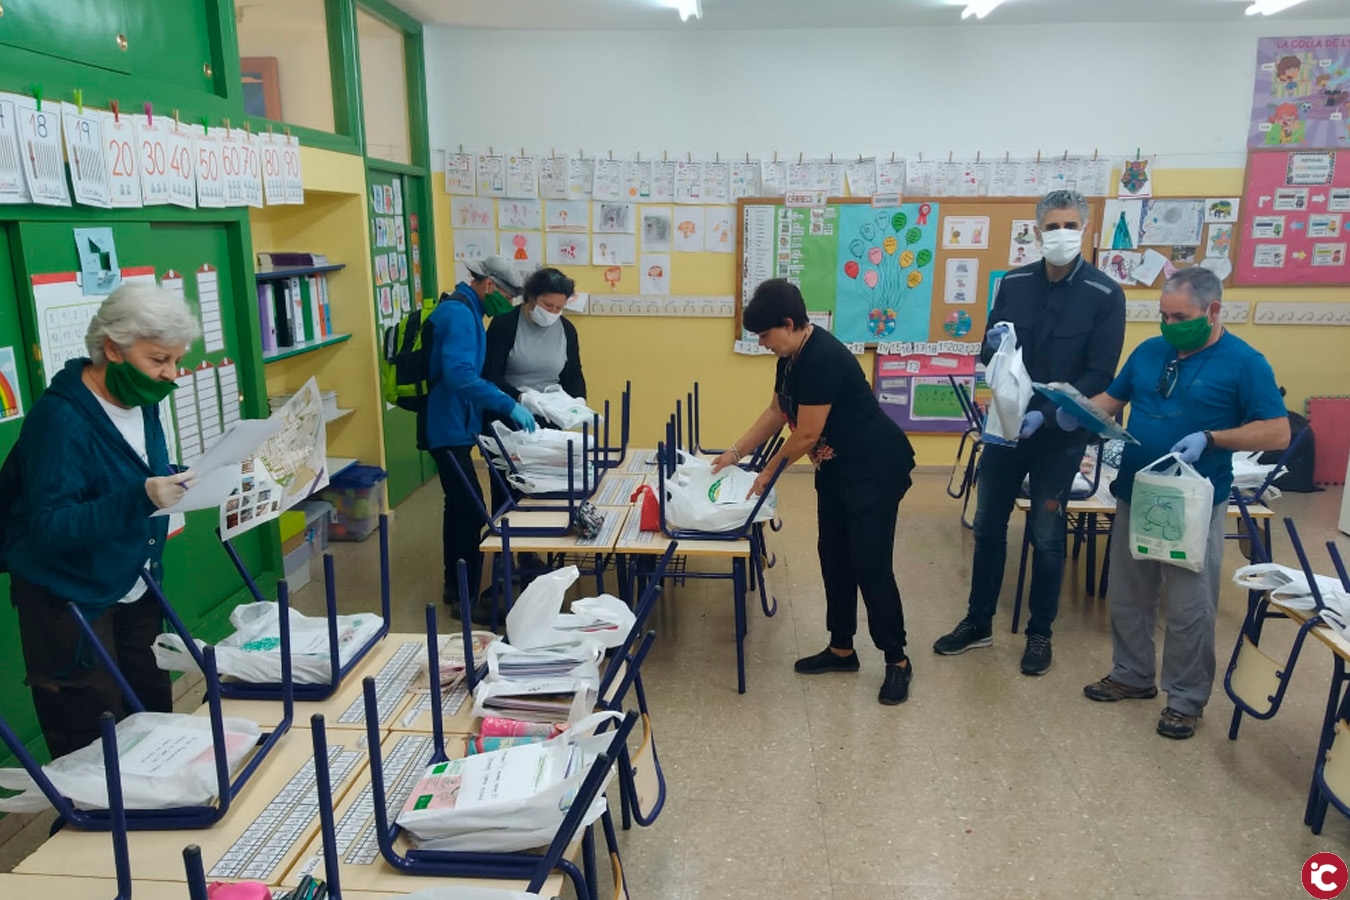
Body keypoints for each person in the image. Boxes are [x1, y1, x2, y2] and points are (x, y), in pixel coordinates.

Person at [1081, 267, 1289, 740]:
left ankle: (1185, 700)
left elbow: (1277, 431)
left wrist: (1213, 438)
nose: (1169, 325)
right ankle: (1132, 674)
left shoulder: (1244, 362)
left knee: (1189, 605)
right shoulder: (1149, 352)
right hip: (1137, 490)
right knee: (1129, 595)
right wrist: (1069, 412)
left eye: (1180, 317)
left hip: (1192, 502)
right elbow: (1112, 399)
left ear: (1213, 311)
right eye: (1163, 316)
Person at [1, 284, 200, 758]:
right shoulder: (60, 419)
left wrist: (177, 480)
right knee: (94, 737)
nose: (170, 375)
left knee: (153, 714)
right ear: (112, 348)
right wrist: (141, 496)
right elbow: (50, 526)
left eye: (177, 360)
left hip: (133, 582)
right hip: (71, 600)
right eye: (159, 360)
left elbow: (128, 474)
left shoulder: (142, 399)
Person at [933, 190, 1126, 676]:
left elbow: (1101, 373)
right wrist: (993, 347)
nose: (1061, 234)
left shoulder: (1105, 294)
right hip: (1006, 429)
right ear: (1037, 232)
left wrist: (1049, 413)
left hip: (1059, 435)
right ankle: (978, 622)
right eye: (1052, 226)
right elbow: (989, 350)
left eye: (1070, 225)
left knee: (1046, 534)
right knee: (987, 526)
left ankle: (1041, 632)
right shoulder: (1015, 283)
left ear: (1084, 229)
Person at [713, 279, 916, 705]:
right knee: (834, 556)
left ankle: (897, 660)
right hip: (837, 468)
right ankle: (842, 649)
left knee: (870, 563)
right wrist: (734, 452)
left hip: (874, 468)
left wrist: (768, 472)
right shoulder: (791, 358)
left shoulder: (822, 357)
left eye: (765, 335)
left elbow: (806, 433)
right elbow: (777, 411)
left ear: (789, 324)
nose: (763, 343)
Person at [426, 256, 537, 620]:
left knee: (459, 507)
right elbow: (459, 375)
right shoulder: (459, 315)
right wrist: (508, 404)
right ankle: (466, 598)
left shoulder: (468, 310)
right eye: (506, 297)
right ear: (489, 285)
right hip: (446, 426)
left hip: (457, 423)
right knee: (471, 509)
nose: (508, 305)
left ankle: (455, 587)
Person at [482, 267, 585, 513]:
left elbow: (573, 374)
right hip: (508, 416)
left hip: (548, 417)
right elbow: (489, 375)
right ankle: (506, 535)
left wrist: (577, 403)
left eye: (559, 308)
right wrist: (520, 397)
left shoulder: (567, 330)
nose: (553, 313)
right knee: (510, 489)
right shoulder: (505, 325)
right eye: (548, 305)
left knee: (546, 488)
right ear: (531, 297)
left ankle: (540, 535)